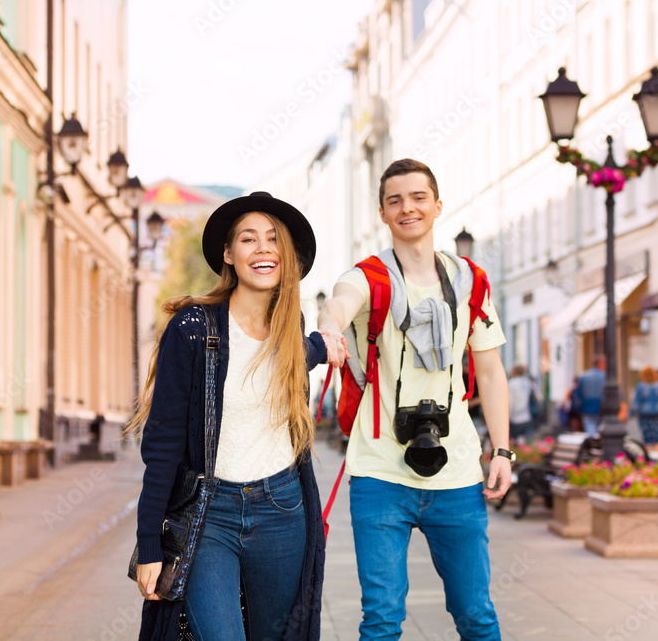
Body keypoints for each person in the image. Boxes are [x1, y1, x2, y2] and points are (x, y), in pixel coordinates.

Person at [318, 158, 511, 640]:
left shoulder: (469, 282)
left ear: (438, 205)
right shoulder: (370, 278)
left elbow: (489, 368)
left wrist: (503, 450)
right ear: (382, 213)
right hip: (380, 473)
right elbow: (340, 300)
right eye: (395, 200)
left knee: (476, 615)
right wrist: (329, 327)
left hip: (458, 472)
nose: (408, 208)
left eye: (418, 197)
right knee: (381, 619)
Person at [128, 192, 329, 641]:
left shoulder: (291, 328)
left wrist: (322, 345)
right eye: (248, 239)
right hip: (209, 515)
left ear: (287, 255)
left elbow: (300, 354)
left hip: (282, 510)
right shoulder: (194, 328)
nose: (262, 249)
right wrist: (148, 544)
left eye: (273, 240)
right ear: (228, 253)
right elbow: (161, 446)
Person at [630, 366, 658, 460]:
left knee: (647, 439)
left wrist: (630, 414)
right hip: (657, 415)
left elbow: (636, 402)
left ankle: (649, 461)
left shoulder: (641, 386)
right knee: (657, 439)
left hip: (644, 415)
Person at [572, 354, 607, 436]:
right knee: (600, 429)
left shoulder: (583, 376)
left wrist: (578, 407)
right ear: (600, 364)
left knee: (590, 428)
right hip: (601, 408)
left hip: (586, 407)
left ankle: (593, 444)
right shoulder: (605, 377)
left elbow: (578, 394)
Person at [507, 363, 538, 442]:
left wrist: (507, 418)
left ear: (515, 372)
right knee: (527, 443)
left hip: (515, 419)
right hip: (527, 417)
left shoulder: (511, 383)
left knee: (514, 444)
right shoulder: (528, 383)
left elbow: (510, 402)